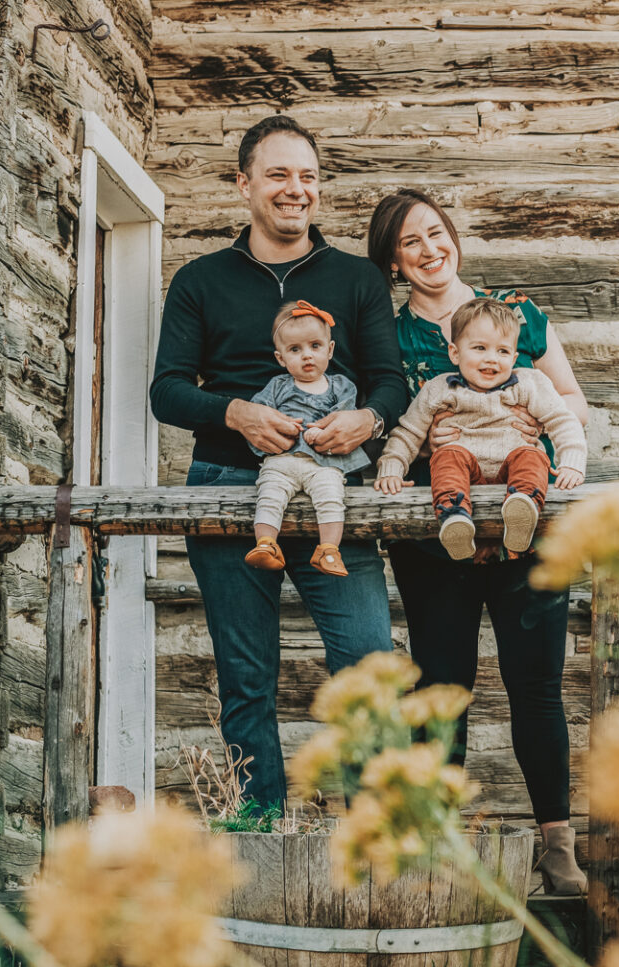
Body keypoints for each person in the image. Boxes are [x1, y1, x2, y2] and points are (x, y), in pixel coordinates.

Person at [151, 115, 407, 812]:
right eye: (278, 174)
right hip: (230, 492)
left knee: (366, 663)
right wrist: (237, 412)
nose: (297, 190)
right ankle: (259, 835)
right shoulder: (200, 280)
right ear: (244, 185)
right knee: (246, 676)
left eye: (308, 177)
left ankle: (372, 841)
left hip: (338, 491)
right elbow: (166, 390)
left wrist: (368, 418)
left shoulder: (356, 278)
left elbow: (389, 380)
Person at [366, 188, 591, 894]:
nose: (430, 250)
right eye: (411, 243)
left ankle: (558, 847)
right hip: (439, 541)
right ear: (394, 262)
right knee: (443, 687)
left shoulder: (516, 314)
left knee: (536, 686)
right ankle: (442, 847)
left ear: (453, 235)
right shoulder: (392, 336)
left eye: (437, 233)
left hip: (530, 525)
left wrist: (536, 439)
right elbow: (390, 422)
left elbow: (571, 400)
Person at [374, 297, 586, 560]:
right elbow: (408, 433)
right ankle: (454, 517)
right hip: (464, 474)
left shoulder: (528, 384)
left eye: (503, 351)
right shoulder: (440, 389)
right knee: (447, 456)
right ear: (455, 353)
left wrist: (572, 461)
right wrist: (392, 467)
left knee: (532, 456)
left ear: (515, 357)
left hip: (514, 472)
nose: (491, 360)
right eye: (479, 348)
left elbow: (562, 420)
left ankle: (523, 508)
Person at [245, 300, 371, 576]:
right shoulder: (277, 386)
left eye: (315, 346)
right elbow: (260, 416)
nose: (307, 356)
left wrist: (322, 431)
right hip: (283, 459)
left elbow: (344, 416)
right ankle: (266, 543)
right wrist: (279, 425)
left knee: (331, 497)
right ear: (280, 358)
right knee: (269, 495)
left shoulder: (341, 386)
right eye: (295, 349)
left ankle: (328, 550)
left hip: (323, 463)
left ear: (330, 349)